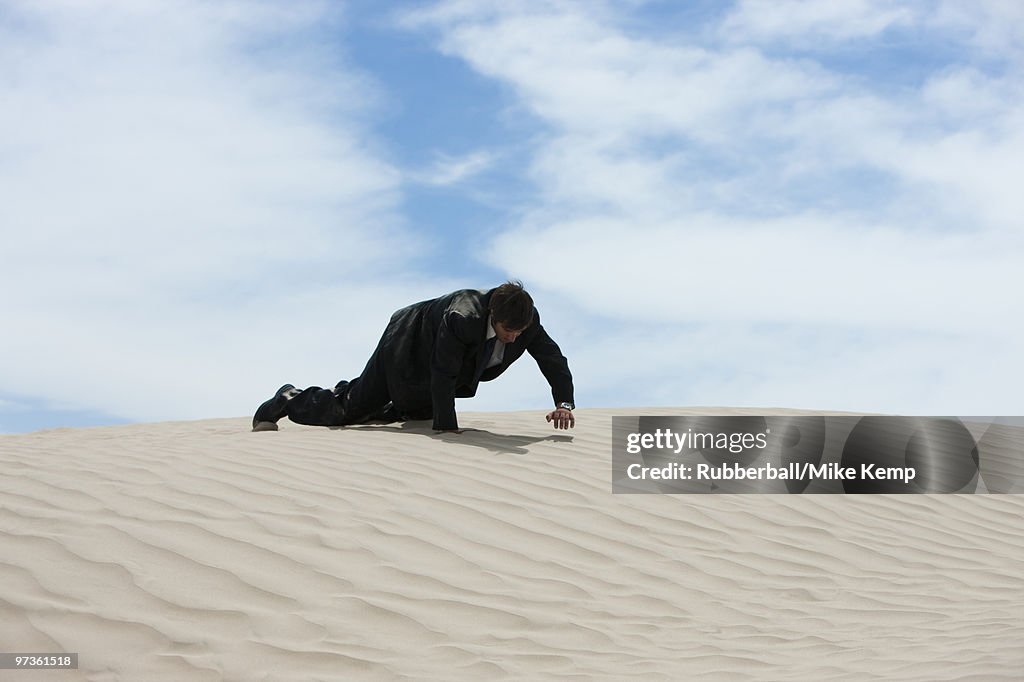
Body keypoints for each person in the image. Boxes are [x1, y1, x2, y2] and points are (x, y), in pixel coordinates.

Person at [252, 281, 575, 433]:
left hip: (435, 360)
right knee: (349, 410)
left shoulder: (525, 322)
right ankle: (289, 398)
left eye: (519, 332)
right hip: (405, 340)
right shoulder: (462, 317)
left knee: (413, 413)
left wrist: (564, 404)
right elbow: (443, 372)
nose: (514, 338)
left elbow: (552, 360)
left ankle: (364, 393)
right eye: (508, 331)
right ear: (492, 314)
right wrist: (447, 428)